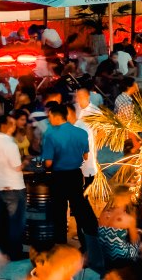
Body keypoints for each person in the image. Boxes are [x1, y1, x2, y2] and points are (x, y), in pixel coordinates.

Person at [40, 102, 98, 244]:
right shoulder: (81, 132)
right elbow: (85, 156)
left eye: (50, 116)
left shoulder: (50, 134)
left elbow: (48, 162)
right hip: (76, 176)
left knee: (59, 211)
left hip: (58, 177)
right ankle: (87, 243)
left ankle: (60, 244)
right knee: (79, 210)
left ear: (55, 116)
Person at [0, 113, 25, 259]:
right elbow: (17, 167)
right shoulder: (10, 144)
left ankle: (0, 250)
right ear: (6, 126)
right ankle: (15, 253)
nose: (15, 126)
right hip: (13, 187)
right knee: (15, 222)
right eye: (13, 124)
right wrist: (25, 161)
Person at [98, 185, 142, 270]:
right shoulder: (128, 218)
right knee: (141, 245)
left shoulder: (103, 214)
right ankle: (135, 273)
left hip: (102, 254)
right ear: (127, 199)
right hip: (118, 257)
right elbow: (134, 240)